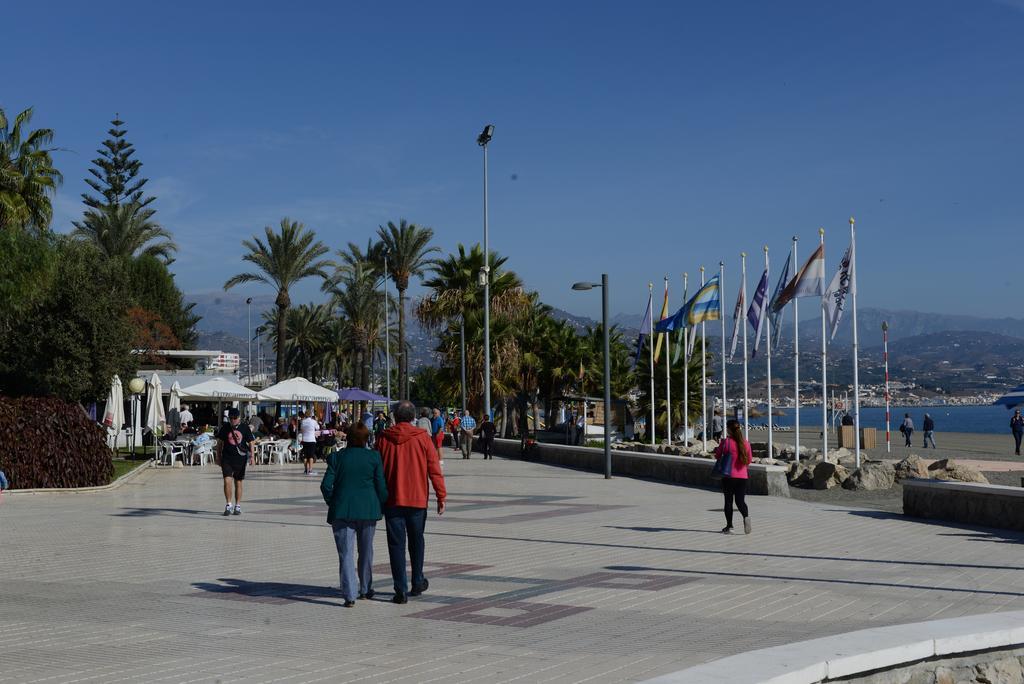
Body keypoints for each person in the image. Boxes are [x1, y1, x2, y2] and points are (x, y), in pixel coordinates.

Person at [375, 400, 447, 604]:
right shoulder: (423, 438)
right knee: (417, 541)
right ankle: (417, 580)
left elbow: (377, 471)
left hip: (392, 501)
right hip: (417, 500)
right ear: (413, 417)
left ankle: (400, 589)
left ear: (395, 417)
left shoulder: (383, 439)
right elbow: (434, 469)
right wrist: (441, 496)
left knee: (396, 544)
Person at [320, 422, 388, 607]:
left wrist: (333, 501)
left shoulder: (336, 458)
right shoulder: (374, 457)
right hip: (368, 510)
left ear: (347, 438)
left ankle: (350, 595)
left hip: (342, 511)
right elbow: (381, 486)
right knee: (366, 551)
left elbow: (326, 486)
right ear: (366, 439)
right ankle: (365, 589)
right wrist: (382, 504)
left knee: (346, 553)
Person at [714, 419, 752, 535]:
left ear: (729, 429)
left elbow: (717, 455)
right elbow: (749, 460)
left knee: (728, 501)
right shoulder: (746, 443)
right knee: (740, 501)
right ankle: (746, 517)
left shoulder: (726, 442)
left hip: (728, 475)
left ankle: (729, 527)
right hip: (743, 476)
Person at [216, 408, 254, 516]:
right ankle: (228, 504)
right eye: (231, 418)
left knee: (238, 482)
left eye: (235, 418)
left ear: (239, 418)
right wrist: (218, 457)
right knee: (227, 480)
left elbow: (251, 442)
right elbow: (219, 443)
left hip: (240, 459)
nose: (233, 420)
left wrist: (252, 457)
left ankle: (238, 505)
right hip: (227, 458)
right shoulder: (225, 427)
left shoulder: (244, 427)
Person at [300, 410, 320, 475]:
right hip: (311, 440)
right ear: (311, 415)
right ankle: (310, 470)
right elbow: (318, 428)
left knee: (305, 456)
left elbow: (302, 430)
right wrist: (316, 420)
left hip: (305, 440)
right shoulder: (313, 421)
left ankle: (306, 470)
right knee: (311, 456)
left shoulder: (303, 421)